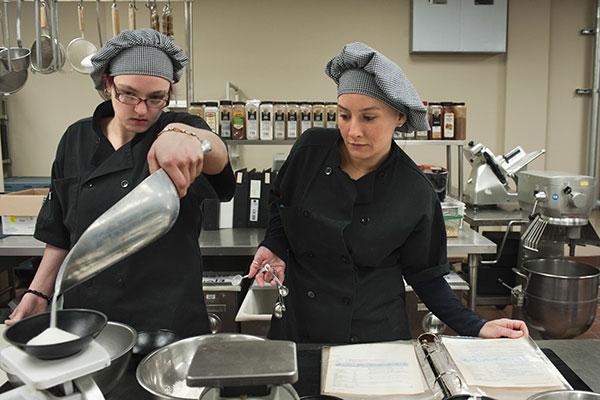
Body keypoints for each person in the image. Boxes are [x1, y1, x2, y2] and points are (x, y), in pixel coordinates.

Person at [247, 42, 528, 343]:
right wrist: (274, 244)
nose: (353, 131)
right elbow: (280, 201)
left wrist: (476, 325)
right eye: (344, 116)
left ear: (400, 117)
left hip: (373, 335)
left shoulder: (414, 191)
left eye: (368, 118)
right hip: (299, 325)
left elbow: (427, 276)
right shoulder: (310, 150)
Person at [5, 29, 235, 339]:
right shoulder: (76, 138)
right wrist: (39, 293)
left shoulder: (181, 126)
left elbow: (216, 154)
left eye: (156, 98)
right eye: (128, 94)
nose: (142, 109)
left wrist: (183, 134)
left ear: (170, 91)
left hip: (167, 317)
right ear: (108, 83)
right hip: (87, 316)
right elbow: (60, 232)